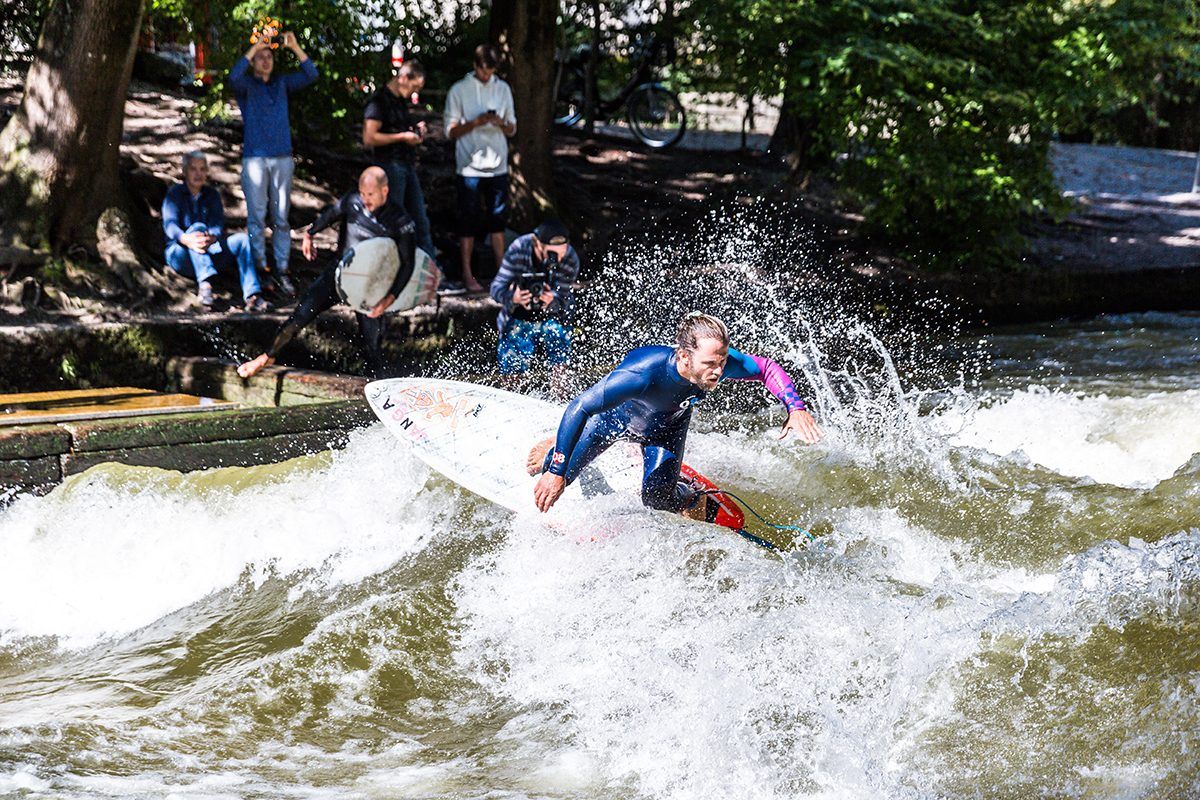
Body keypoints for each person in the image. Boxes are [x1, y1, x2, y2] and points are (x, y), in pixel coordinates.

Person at [530, 312, 823, 515]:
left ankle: (690, 493)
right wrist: (556, 472)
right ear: (684, 356)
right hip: (611, 423)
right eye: (711, 363)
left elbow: (767, 369)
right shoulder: (643, 374)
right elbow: (580, 406)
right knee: (556, 474)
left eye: (722, 361)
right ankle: (554, 444)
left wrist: (795, 407)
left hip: (665, 429)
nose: (719, 371)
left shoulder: (716, 362)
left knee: (657, 499)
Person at [236, 167, 415, 379]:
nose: (365, 199)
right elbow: (331, 214)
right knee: (299, 316)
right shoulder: (352, 201)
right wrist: (310, 233)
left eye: (371, 194)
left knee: (372, 342)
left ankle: (375, 388)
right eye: (362, 193)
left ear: (384, 191)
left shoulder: (400, 221)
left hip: (370, 287)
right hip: (338, 275)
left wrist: (388, 299)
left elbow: (408, 265)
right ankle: (266, 357)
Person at [228, 30, 318, 296]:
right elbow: (233, 76)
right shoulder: (247, 86)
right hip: (255, 159)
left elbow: (311, 74)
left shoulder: (281, 83)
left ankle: (282, 269)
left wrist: (295, 47)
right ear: (254, 61)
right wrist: (255, 46)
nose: (266, 60)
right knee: (256, 218)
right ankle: (259, 270)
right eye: (261, 57)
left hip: (282, 157)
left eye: (269, 57)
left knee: (280, 218)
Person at [444, 44, 516, 293]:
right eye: (483, 72)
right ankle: (468, 275)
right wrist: (475, 122)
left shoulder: (503, 89)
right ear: (475, 67)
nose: (486, 77)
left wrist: (500, 122)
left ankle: (502, 275)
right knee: (467, 224)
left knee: (498, 222)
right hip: (469, 168)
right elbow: (450, 131)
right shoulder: (459, 90)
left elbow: (512, 128)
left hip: (497, 166)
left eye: (490, 72)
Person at [162, 150, 270, 312]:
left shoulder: (211, 195)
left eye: (202, 169)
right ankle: (206, 286)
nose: (198, 174)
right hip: (180, 254)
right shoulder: (174, 194)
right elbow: (170, 226)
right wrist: (186, 239)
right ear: (184, 172)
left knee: (242, 240)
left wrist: (211, 237)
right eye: (193, 169)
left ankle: (253, 295)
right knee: (197, 228)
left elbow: (217, 225)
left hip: (210, 249)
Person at [489, 219, 580, 396]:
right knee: (512, 373)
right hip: (518, 316)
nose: (557, 259)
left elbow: (565, 298)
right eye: (551, 254)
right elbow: (495, 288)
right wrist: (513, 297)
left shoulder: (570, 257)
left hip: (554, 317)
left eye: (561, 254)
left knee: (561, 361)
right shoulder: (519, 249)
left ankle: (560, 403)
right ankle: (511, 401)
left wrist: (552, 300)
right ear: (537, 244)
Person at [362, 60, 437, 269]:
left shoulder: (400, 101)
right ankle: (391, 272)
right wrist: (402, 137)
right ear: (403, 78)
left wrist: (414, 129)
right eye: (414, 86)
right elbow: (369, 137)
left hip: (407, 164)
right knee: (394, 221)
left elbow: (399, 128)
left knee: (420, 221)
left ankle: (430, 273)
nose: (415, 92)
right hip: (389, 166)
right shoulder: (378, 101)